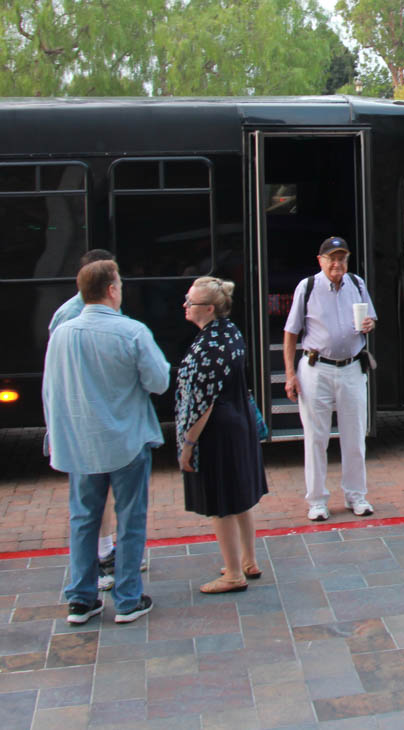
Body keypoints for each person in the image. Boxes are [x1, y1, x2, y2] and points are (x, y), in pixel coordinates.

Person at [43, 260, 169, 624]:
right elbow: (158, 381)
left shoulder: (63, 333)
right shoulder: (132, 332)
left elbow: (51, 390)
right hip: (126, 439)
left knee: (83, 519)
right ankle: (127, 598)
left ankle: (81, 598)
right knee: (131, 519)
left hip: (81, 444)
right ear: (112, 289)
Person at [175, 277, 268, 593]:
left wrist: (187, 444)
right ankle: (248, 560)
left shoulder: (207, 347)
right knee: (240, 499)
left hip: (218, 433)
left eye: (191, 302)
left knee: (221, 503)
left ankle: (232, 574)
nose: (185, 306)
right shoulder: (231, 332)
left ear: (209, 309)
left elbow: (202, 405)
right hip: (239, 424)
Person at [283, 236, 376, 522]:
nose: (337, 264)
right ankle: (317, 501)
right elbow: (291, 332)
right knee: (315, 437)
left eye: (342, 258)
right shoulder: (307, 287)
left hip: (351, 368)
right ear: (320, 260)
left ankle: (356, 495)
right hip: (316, 368)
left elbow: (371, 319)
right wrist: (289, 375)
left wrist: (370, 324)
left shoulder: (357, 284)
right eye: (331, 258)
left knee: (355, 434)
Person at [47, 249, 123, 592]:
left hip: (93, 421)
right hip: (88, 423)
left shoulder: (81, 313)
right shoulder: (71, 316)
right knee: (89, 502)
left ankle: (98, 565)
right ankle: (102, 562)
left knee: (93, 499)